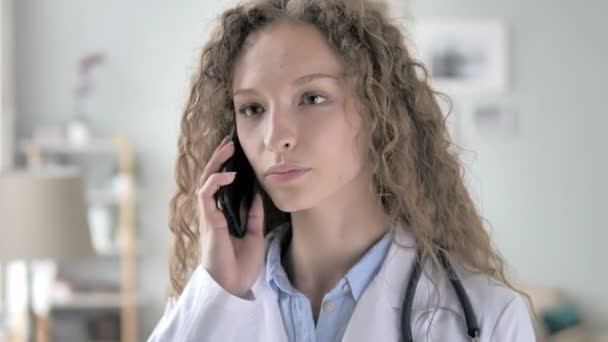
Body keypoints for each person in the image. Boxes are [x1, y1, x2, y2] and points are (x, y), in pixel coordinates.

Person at [148, 0, 536, 341]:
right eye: (253, 109)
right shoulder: (211, 301)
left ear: (380, 112)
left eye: (312, 98)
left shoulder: (489, 318)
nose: (274, 137)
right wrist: (218, 294)